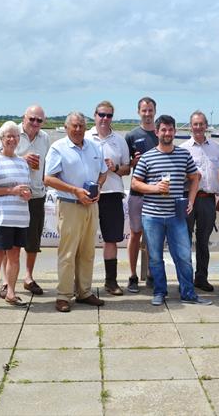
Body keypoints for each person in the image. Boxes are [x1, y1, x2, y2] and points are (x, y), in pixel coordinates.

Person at [131, 115, 211, 306]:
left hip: (176, 215)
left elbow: (194, 177)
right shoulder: (148, 156)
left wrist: (191, 200)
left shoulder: (183, 154)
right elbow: (135, 183)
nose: (167, 133)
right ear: (157, 132)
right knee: (156, 257)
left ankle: (188, 293)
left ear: (175, 131)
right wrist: (154, 188)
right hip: (152, 215)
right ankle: (160, 291)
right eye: (164, 130)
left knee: (183, 256)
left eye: (171, 130)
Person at [44, 112, 107, 313]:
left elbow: (104, 171)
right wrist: (75, 190)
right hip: (69, 205)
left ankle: (84, 292)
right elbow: (48, 178)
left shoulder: (94, 146)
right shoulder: (58, 148)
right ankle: (63, 295)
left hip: (91, 205)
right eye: (74, 126)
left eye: (81, 125)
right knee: (68, 253)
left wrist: (98, 187)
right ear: (66, 127)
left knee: (88, 252)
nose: (78, 129)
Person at [0, 105, 50, 298]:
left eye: (39, 120)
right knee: (10, 244)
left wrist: (44, 185)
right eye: (31, 119)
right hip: (14, 197)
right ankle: (5, 282)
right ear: (23, 117)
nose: (35, 123)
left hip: (36, 195)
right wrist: (21, 159)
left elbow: (47, 167)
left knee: (33, 241)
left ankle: (28, 277)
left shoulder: (45, 138)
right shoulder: (11, 132)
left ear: (44, 122)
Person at [0, 121, 32, 312]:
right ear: (1, 139)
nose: (12, 139)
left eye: (15, 136)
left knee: (15, 256)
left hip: (20, 218)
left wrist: (27, 194)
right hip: (0, 218)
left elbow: (26, 189)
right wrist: (11, 190)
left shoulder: (22, 163)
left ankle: (10, 292)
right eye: (8, 136)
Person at [86, 100, 131, 296]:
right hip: (88, 195)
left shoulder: (119, 140)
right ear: (94, 115)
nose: (105, 119)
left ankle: (110, 282)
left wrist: (114, 168)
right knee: (84, 240)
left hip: (112, 194)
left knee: (111, 240)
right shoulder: (85, 137)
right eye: (101, 114)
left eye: (109, 115)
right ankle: (82, 283)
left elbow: (127, 169)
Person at [181, 110, 219, 292]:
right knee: (185, 241)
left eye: (201, 124)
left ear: (206, 126)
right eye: (195, 124)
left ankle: (201, 278)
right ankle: (185, 279)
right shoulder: (184, 148)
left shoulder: (216, 148)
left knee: (203, 241)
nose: (198, 127)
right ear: (191, 126)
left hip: (208, 200)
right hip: (188, 200)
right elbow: (178, 175)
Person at [124, 97, 158, 293]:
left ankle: (153, 274)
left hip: (157, 195)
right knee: (135, 234)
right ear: (138, 112)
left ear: (155, 111)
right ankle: (132, 275)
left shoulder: (160, 133)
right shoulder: (131, 136)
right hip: (137, 193)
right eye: (144, 110)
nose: (147, 114)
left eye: (150, 110)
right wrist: (132, 163)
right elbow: (126, 168)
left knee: (153, 236)